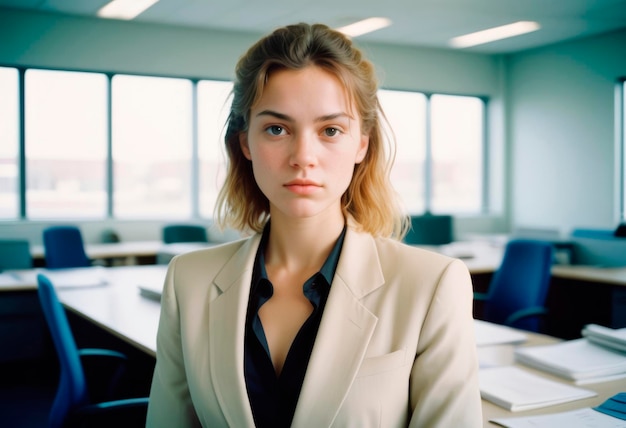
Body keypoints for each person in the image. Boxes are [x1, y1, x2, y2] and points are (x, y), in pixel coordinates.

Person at [146, 22, 482, 427]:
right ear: (245, 143)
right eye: (276, 129)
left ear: (362, 143)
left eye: (330, 130)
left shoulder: (432, 285)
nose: (303, 156)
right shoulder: (188, 280)